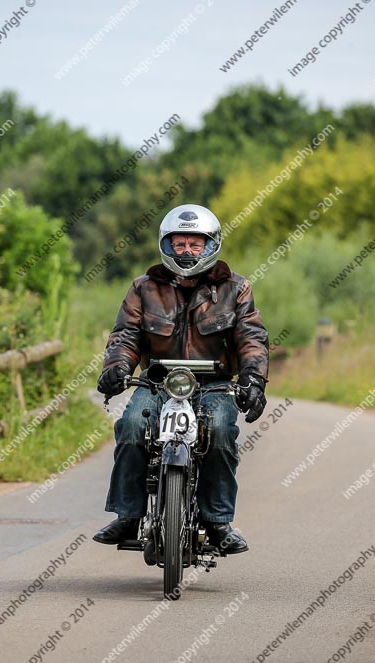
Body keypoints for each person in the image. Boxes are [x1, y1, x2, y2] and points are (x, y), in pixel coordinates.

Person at [94, 204, 269, 556]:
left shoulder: (236, 288)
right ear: (166, 244)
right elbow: (126, 335)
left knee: (220, 431)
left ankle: (219, 522)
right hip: (158, 382)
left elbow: (251, 337)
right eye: (179, 244)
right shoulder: (144, 287)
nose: (187, 252)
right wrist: (116, 368)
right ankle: (128, 515)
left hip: (214, 385)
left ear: (211, 245)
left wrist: (253, 379)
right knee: (130, 427)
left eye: (195, 244)